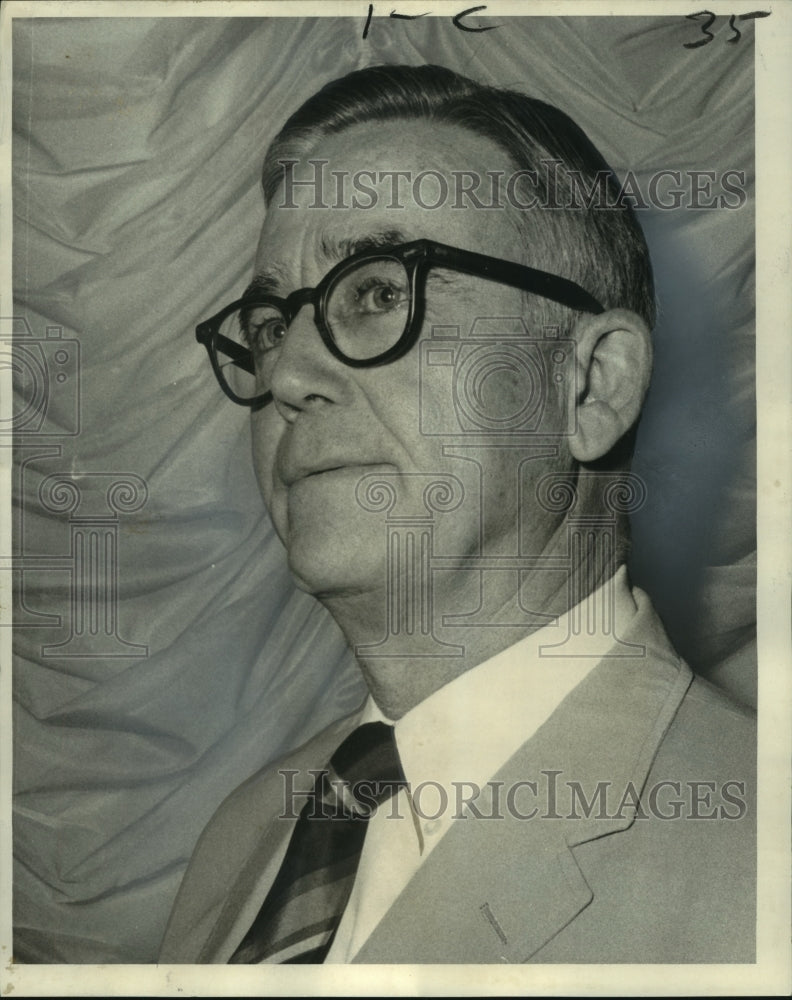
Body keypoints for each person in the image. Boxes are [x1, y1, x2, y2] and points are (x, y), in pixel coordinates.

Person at [159, 64, 755, 965]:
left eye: (378, 292)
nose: (284, 375)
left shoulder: (760, 857)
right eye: (273, 320)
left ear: (592, 386)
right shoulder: (245, 838)